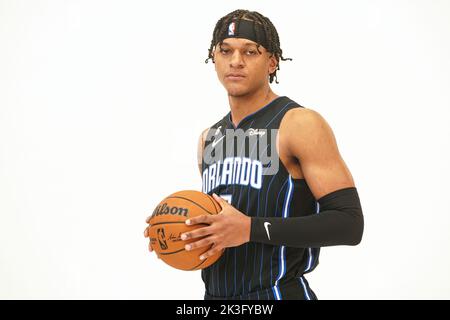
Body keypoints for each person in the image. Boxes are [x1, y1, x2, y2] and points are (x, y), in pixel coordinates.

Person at [144, 9, 364, 300]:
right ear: (214, 57)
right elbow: (220, 226)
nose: (236, 61)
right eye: (226, 51)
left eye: (250, 52)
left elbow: (349, 224)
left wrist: (250, 228)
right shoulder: (208, 139)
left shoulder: (299, 123)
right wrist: (179, 233)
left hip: (278, 294)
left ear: (272, 62)